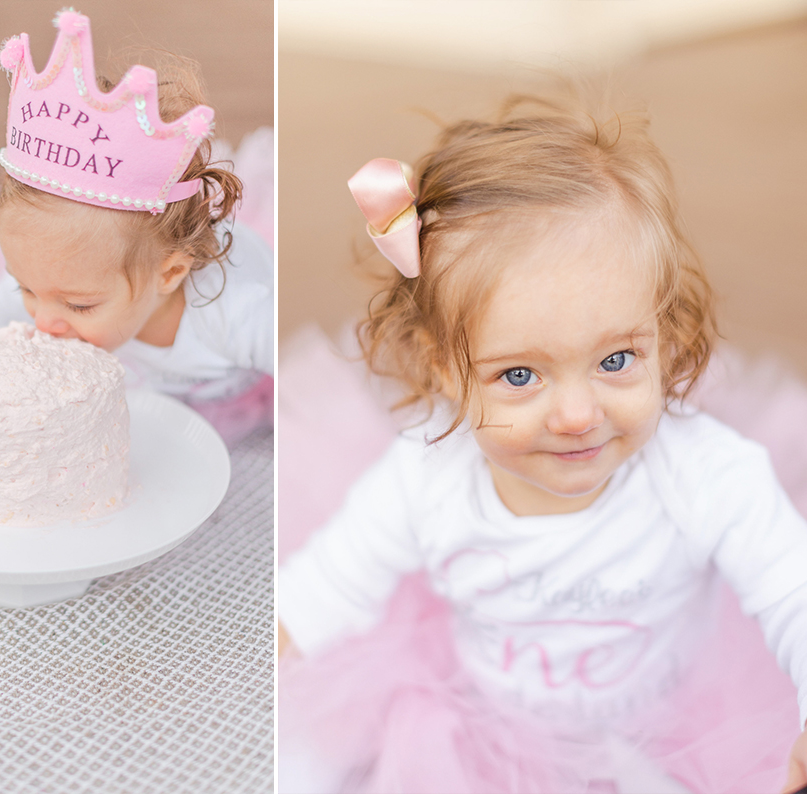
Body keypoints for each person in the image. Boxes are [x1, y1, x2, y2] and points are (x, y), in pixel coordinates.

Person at [278, 93, 807, 793]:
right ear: (445, 369)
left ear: (666, 335)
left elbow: (792, 589)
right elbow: (322, 590)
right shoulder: (425, 478)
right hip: (484, 725)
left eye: (616, 360)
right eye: (520, 375)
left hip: (666, 721)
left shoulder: (705, 473)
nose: (577, 414)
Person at [0, 9, 273, 444]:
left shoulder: (238, 313)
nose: (45, 323)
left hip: (228, 388)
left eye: (79, 306)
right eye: (29, 291)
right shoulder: (65, 274)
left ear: (169, 274)